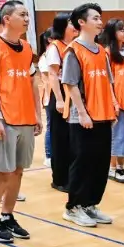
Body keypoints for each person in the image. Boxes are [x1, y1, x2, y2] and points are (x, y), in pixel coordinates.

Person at [0, 0, 40, 244]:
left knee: (18, 171)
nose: (27, 19)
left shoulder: (26, 47)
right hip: (4, 118)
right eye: (22, 15)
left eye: (27, 15)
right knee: (2, 173)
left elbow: (33, 82)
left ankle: (7, 215)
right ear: (6, 19)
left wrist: (37, 114)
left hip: (25, 117)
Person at [60, 3, 116, 228]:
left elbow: (108, 81)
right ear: (81, 22)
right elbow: (70, 84)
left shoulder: (101, 50)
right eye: (95, 18)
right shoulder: (74, 50)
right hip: (82, 117)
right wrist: (82, 113)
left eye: (100, 18)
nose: (100, 22)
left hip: (103, 114)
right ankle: (74, 207)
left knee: (100, 162)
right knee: (82, 161)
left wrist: (113, 104)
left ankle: (90, 203)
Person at [37, 14, 73, 191]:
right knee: (60, 139)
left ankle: (71, 176)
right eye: (71, 23)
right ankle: (59, 179)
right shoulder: (55, 47)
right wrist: (59, 99)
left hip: (72, 92)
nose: (75, 26)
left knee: (71, 139)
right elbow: (52, 75)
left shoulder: (74, 45)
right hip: (59, 94)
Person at [102, 17, 124, 187]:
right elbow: (107, 81)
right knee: (117, 135)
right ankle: (112, 168)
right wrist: (113, 102)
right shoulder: (107, 53)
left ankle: (121, 166)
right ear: (112, 32)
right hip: (116, 102)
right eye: (121, 30)